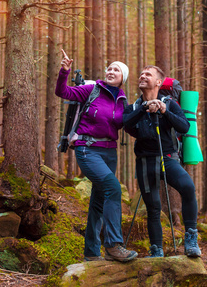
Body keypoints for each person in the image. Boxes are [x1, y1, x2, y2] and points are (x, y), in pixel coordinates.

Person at [56, 49, 137, 263]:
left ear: (122, 78)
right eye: (109, 68)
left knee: (99, 200)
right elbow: (63, 92)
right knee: (113, 188)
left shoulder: (122, 101)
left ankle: (91, 252)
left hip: (110, 153)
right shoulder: (91, 89)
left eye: (116, 70)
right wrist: (64, 71)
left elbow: (127, 126)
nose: (111, 71)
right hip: (87, 149)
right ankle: (113, 245)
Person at [122, 65, 201, 258]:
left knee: (188, 188)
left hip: (168, 159)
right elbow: (126, 124)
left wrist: (165, 111)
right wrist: (143, 109)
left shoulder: (170, 103)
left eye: (148, 74)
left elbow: (184, 126)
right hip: (144, 162)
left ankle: (191, 238)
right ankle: (156, 249)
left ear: (158, 82)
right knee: (153, 207)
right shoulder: (133, 107)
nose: (142, 76)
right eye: (141, 73)